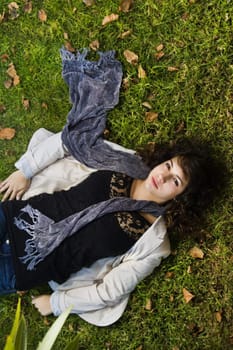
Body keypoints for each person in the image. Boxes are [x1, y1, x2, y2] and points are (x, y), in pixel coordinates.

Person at [0, 48, 221, 326]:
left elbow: (110, 290)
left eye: (175, 181)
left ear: (183, 198)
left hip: (23, 267)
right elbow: (72, 142)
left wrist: (56, 304)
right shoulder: (125, 164)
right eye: (168, 166)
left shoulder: (154, 242)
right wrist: (26, 170)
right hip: (12, 217)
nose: (163, 177)